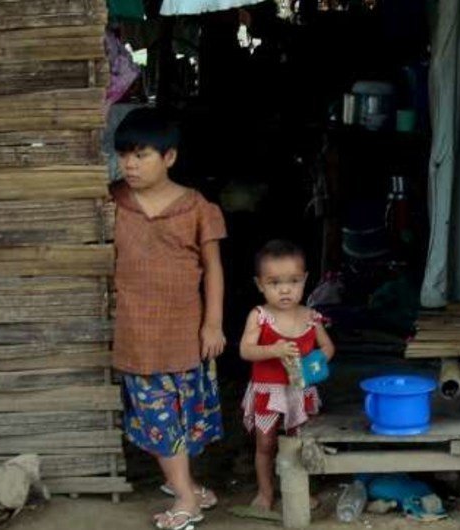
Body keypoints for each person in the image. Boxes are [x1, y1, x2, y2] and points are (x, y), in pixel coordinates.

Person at [110, 107, 227, 530]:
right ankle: (186, 499)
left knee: (185, 417)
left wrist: (213, 324)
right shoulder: (113, 202)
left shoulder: (197, 208)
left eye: (141, 155)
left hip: (185, 333)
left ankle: (187, 486)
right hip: (137, 336)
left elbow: (213, 269)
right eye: (124, 155)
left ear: (169, 157)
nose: (130, 164)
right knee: (158, 419)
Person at [239, 239, 335, 512]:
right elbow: (245, 350)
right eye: (274, 283)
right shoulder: (259, 316)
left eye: (293, 281)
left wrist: (315, 362)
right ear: (260, 284)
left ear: (304, 280)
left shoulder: (311, 316)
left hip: (299, 391)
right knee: (265, 443)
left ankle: (299, 491)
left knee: (299, 442)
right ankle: (265, 493)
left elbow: (328, 347)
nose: (285, 289)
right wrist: (274, 350)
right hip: (268, 391)